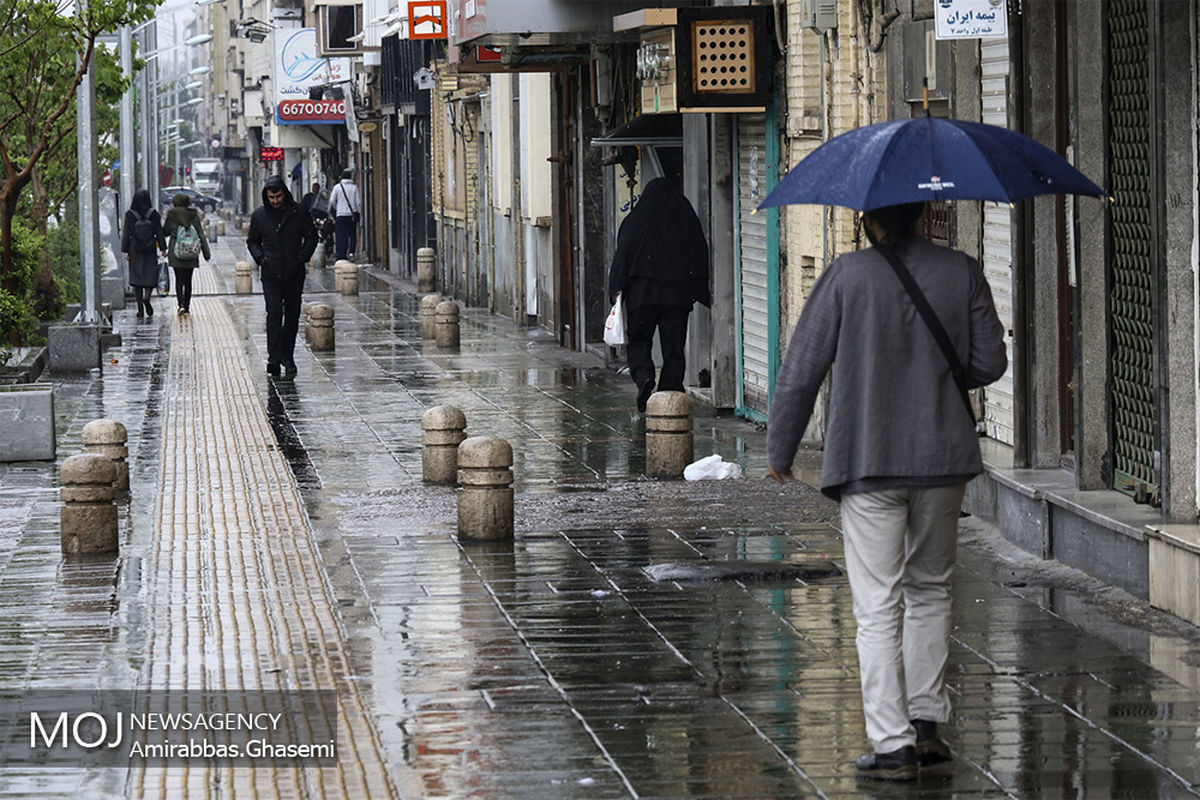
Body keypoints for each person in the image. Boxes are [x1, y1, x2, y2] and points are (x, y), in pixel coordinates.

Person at [765, 202, 1007, 782]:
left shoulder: (845, 276)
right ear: (921, 213)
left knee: (877, 604)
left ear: (869, 219)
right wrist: (934, 370)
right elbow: (989, 363)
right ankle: (926, 725)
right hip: (942, 459)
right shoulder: (962, 270)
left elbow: (801, 370)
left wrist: (780, 451)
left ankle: (893, 744)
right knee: (930, 590)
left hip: (869, 458)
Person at [607, 177, 711, 412]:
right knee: (674, 346)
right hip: (676, 297)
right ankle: (670, 389)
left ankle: (644, 376)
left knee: (639, 340)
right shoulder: (684, 218)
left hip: (641, 296)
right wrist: (698, 286)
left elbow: (622, 256)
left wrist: (615, 289)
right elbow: (699, 251)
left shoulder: (634, 221)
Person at [246, 175, 318, 378]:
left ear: (284, 194)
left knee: (292, 315)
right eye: (271, 197)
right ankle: (274, 359)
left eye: (278, 196)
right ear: (266, 197)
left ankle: (288, 356)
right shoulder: (260, 215)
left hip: (294, 272)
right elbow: (252, 241)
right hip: (271, 273)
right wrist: (261, 258)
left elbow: (311, 236)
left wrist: (301, 257)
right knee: (274, 313)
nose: (275, 201)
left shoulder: (298, 211)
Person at [162, 193, 211, 315]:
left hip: (176, 252)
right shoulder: (194, 215)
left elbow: (165, 232)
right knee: (188, 280)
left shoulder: (172, 214)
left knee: (179, 279)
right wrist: (206, 253)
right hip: (191, 251)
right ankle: (187, 307)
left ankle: (181, 305)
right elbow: (200, 234)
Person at [121, 188, 167, 319]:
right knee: (150, 274)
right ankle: (147, 298)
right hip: (150, 249)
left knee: (137, 279)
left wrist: (126, 251)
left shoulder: (130, 215)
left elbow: (126, 234)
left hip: (135, 249)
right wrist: (163, 249)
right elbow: (159, 232)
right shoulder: (154, 214)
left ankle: (140, 309)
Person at [328, 167, 360, 261]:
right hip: (351, 215)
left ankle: (341, 254)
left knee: (341, 235)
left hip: (340, 215)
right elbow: (358, 203)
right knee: (352, 234)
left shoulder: (337, 187)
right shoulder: (354, 188)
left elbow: (332, 201)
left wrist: (338, 208)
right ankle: (351, 252)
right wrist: (358, 212)